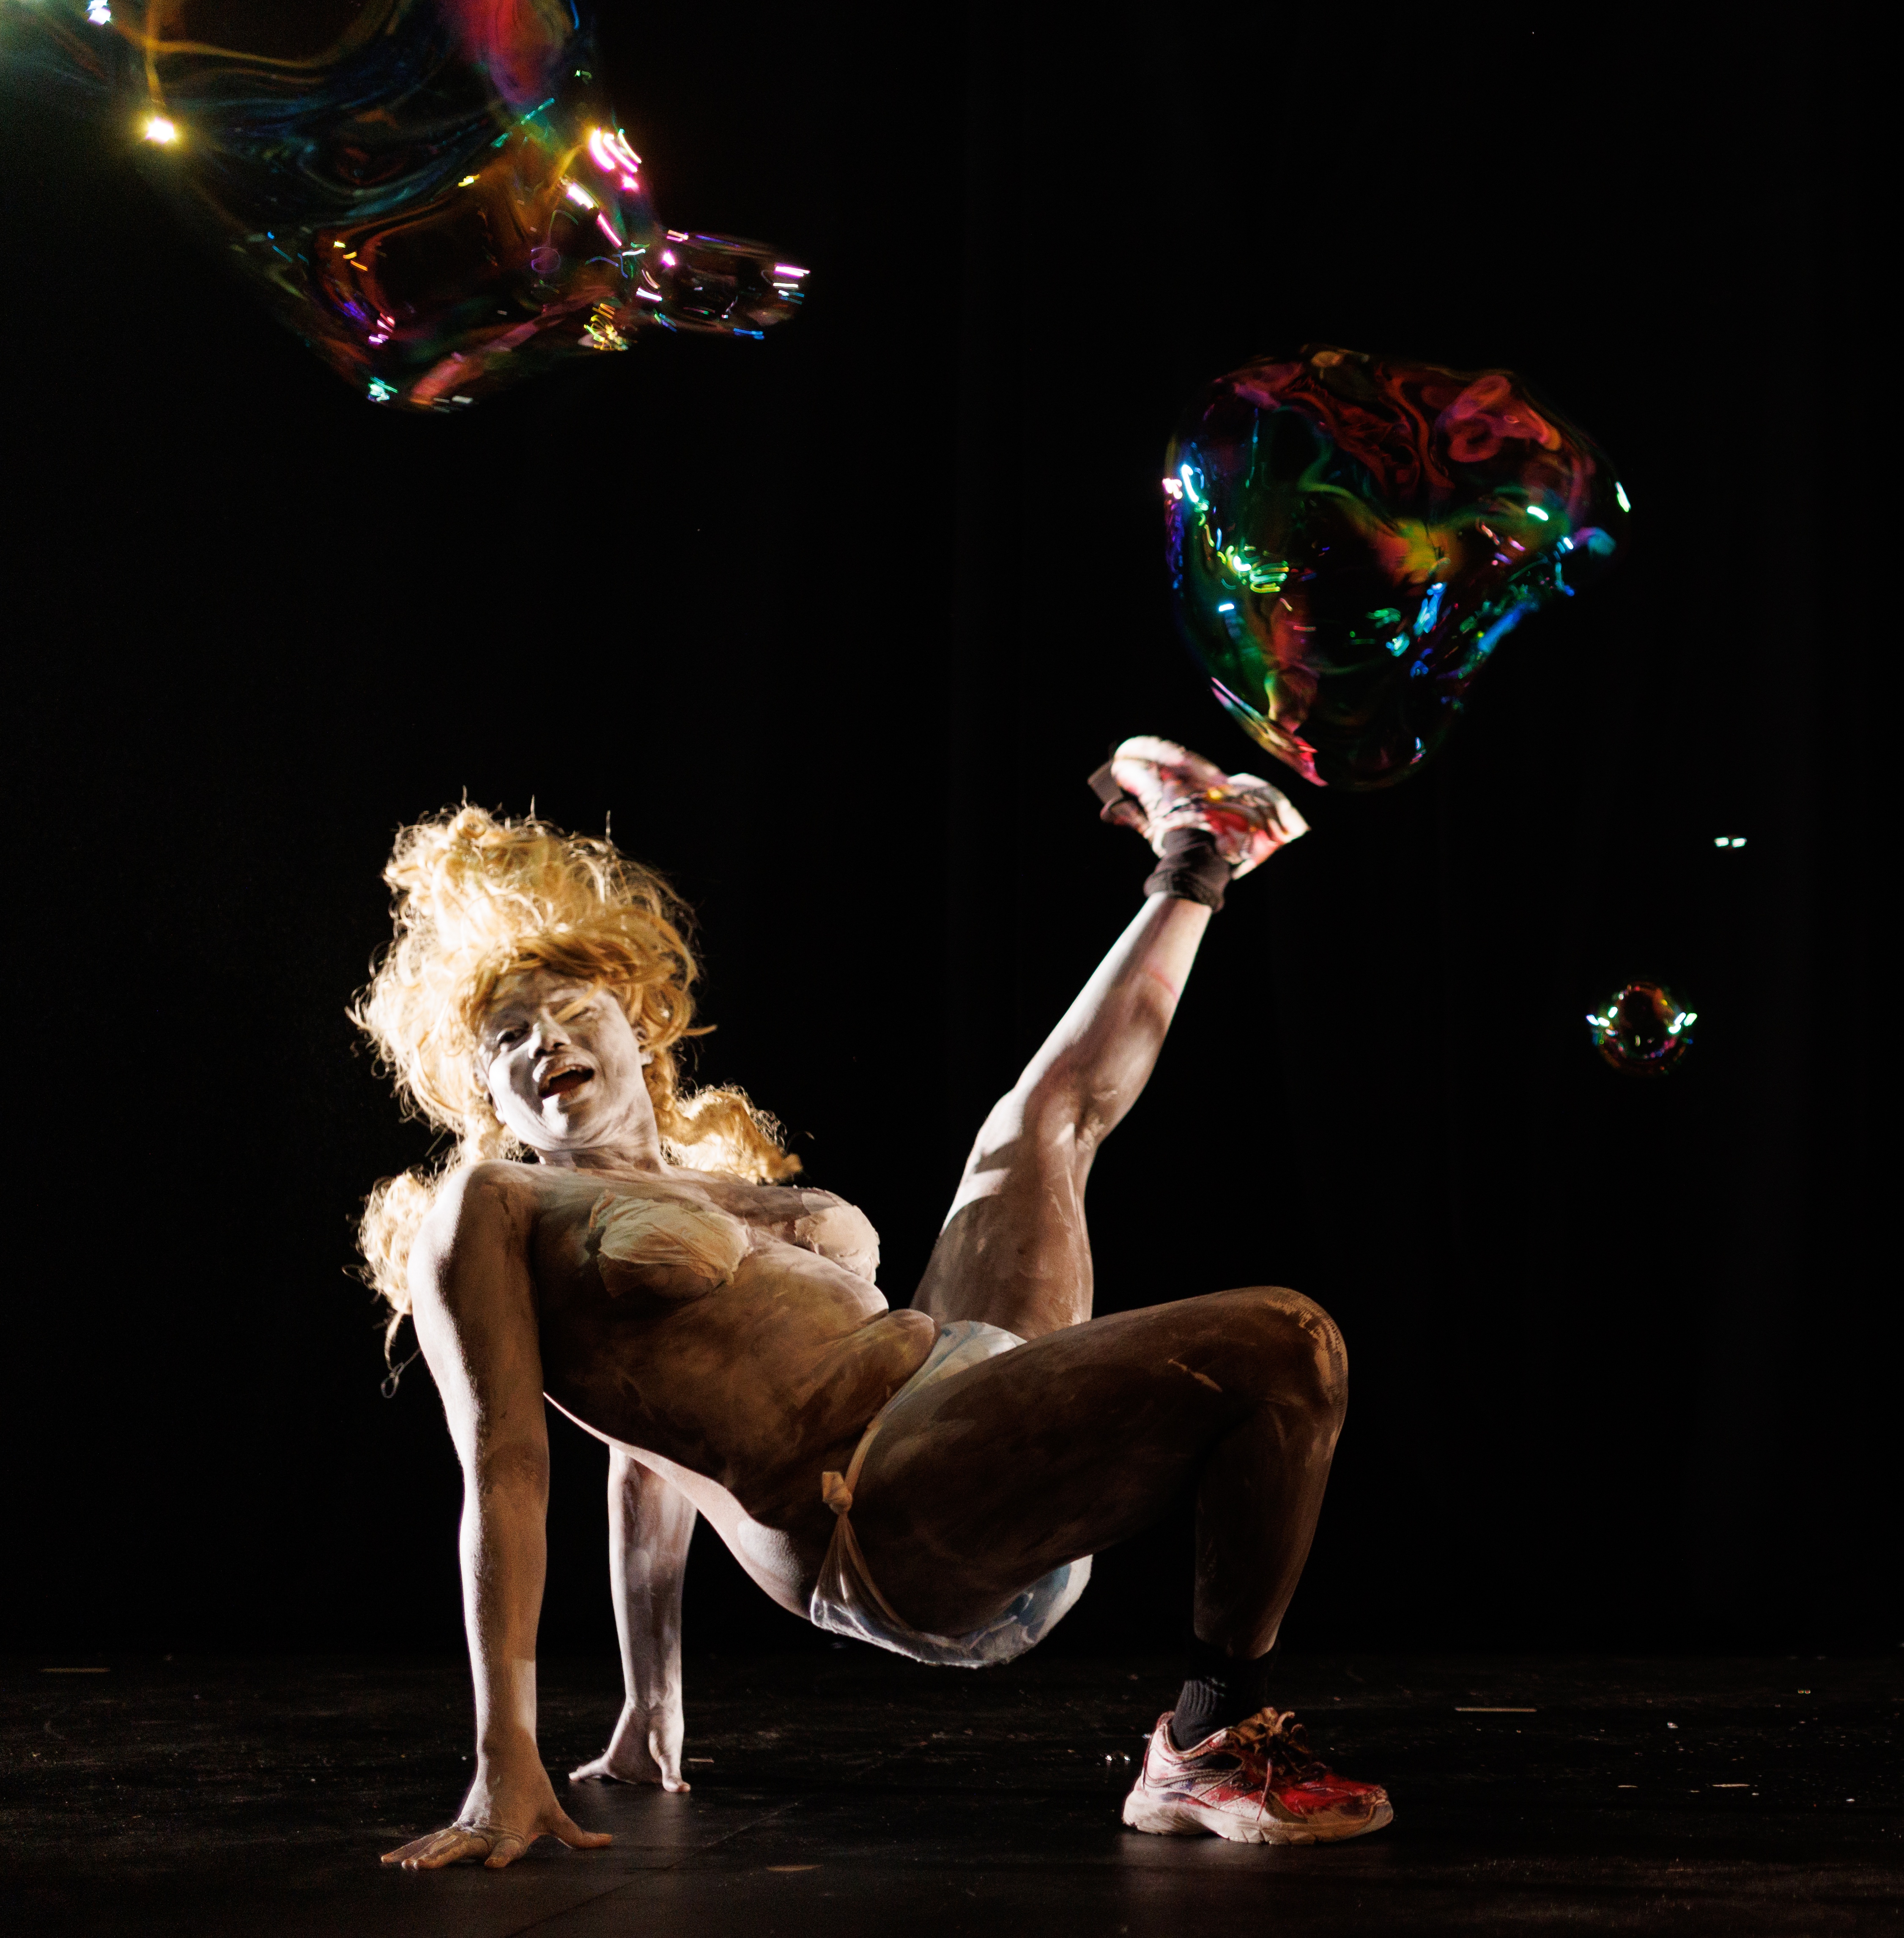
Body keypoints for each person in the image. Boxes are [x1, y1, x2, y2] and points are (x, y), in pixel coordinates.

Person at [355, 738, 1393, 1870]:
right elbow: (509, 1462)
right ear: (485, 1097)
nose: (542, 1040)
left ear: (638, 1025)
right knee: (1285, 1342)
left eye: (566, 1008)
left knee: (1034, 1127)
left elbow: (651, 1464)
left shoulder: (713, 1192)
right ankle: (1210, 1744)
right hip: (888, 1515)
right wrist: (508, 1756)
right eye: (505, 1040)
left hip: (972, 1399)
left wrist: (652, 1707)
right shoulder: (498, 1204)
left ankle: (1199, 857)